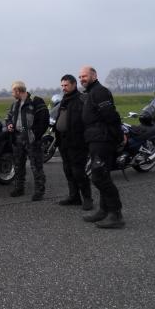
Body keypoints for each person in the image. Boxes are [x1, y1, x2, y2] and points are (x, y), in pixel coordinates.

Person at [78, 66, 125, 229]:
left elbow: (111, 115)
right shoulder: (91, 92)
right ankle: (104, 210)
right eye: (80, 77)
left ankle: (116, 214)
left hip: (103, 140)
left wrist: (118, 135)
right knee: (103, 175)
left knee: (99, 177)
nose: (82, 79)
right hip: (95, 138)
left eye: (84, 76)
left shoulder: (100, 92)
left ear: (94, 75)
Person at [5, 81, 49, 201]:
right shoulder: (15, 104)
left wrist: (35, 135)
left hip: (32, 140)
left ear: (18, 91)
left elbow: (44, 120)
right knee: (18, 165)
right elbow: (8, 117)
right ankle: (19, 188)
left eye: (13, 92)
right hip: (17, 138)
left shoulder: (36, 101)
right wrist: (9, 124)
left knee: (36, 166)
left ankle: (39, 191)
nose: (12, 94)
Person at [55, 74, 93, 210]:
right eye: (62, 85)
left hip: (78, 143)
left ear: (74, 84)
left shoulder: (82, 99)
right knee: (68, 171)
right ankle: (74, 197)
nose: (63, 88)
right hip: (64, 142)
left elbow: (89, 121)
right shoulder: (64, 100)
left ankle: (87, 198)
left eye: (66, 85)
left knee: (78, 172)